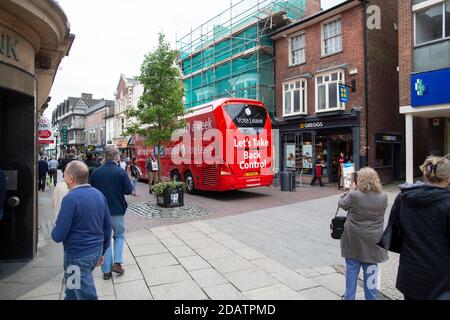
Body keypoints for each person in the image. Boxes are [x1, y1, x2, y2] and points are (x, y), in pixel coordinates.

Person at [389, 155, 450, 300]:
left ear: (425, 175)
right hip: (441, 282)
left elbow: (396, 234)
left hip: (411, 276)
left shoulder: (403, 198)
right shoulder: (447, 204)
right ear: (447, 178)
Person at [51, 161, 112, 300]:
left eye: (65, 174)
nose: (64, 178)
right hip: (95, 252)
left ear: (71, 178)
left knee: (85, 295)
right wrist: (103, 250)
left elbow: (58, 235)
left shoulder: (70, 199)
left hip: (77, 256)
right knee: (72, 291)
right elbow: (107, 227)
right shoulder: (99, 195)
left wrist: (54, 232)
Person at [338, 167, 388, 300]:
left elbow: (341, 204)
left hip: (353, 239)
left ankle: (349, 297)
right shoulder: (384, 196)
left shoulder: (354, 195)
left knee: (352, 269)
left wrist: (349, 191)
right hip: (374, 240)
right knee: (371, 273)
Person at [90, 147, 133, 280]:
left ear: (105, 157)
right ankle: (118, 263)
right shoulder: (120, 172)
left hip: (100, 212)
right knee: (119, 235)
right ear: (116, 157)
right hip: (117, 210)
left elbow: (92, 191)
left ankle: (106, 271)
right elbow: (128, 190)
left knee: (105, 239)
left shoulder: (96, 172)